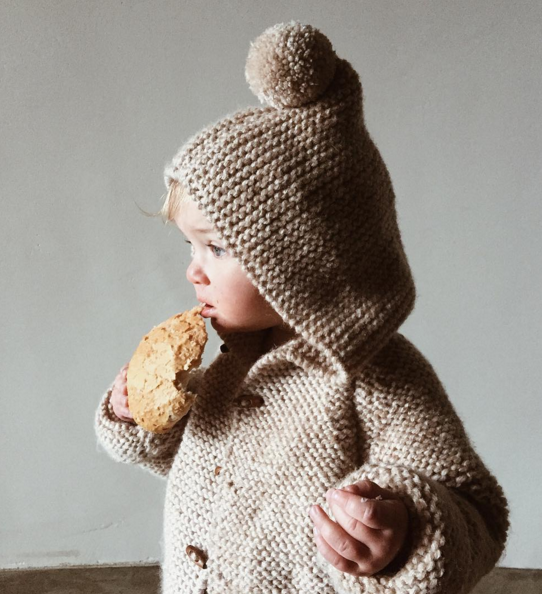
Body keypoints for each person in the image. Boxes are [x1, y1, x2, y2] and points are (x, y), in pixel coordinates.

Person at [95, 21, 509, 594]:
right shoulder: (231, 367)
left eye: (216, 248)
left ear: (301, 258)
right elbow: (206, 460)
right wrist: (139, 414)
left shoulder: (375, 377)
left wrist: (403, 534)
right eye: (189, 246)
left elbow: (475, 513)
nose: (193, 270)